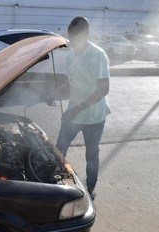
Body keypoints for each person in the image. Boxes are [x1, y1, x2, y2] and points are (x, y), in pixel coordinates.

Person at [56, 16, 111, 200]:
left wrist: (78, 108)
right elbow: (70, 81)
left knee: (91, 155)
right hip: (74, 111)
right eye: (70, 36)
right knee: (58, 149)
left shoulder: (98, 55)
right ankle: (54, 181)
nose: (72, 41)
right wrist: (54, 93)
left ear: (87, 34)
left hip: (94, 116)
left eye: (76, 36)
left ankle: (90, 187)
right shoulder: (70, 55)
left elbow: (104, 88)